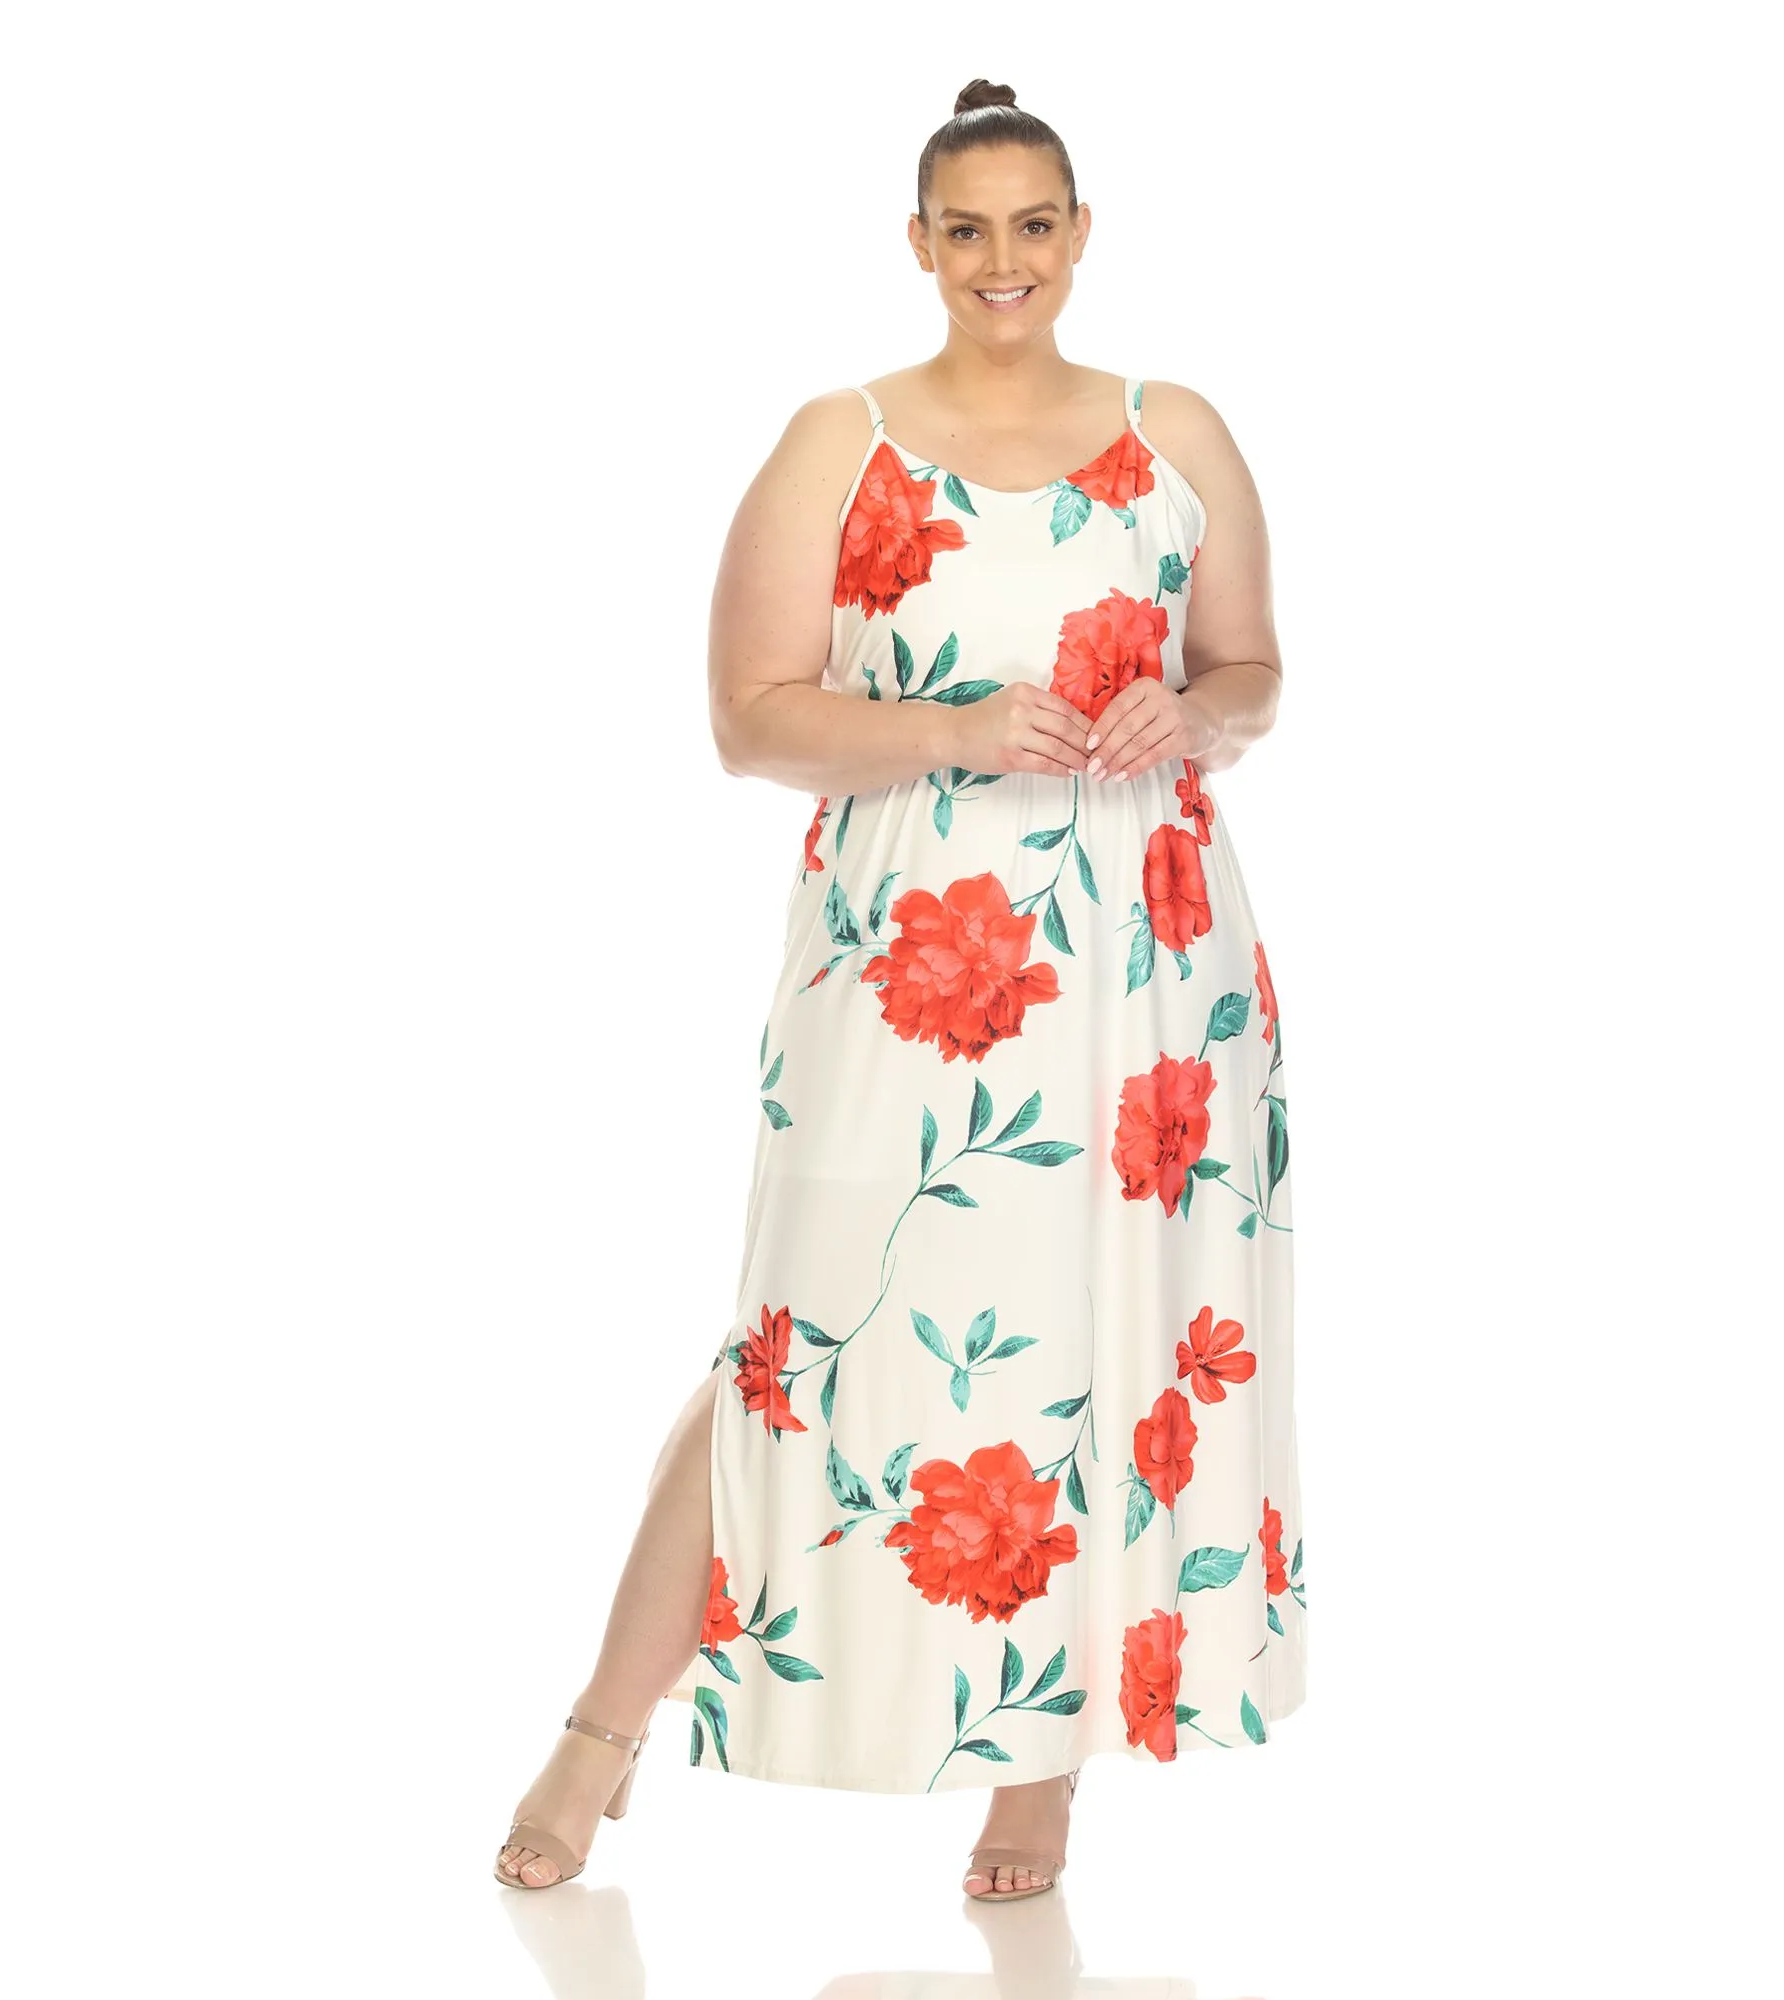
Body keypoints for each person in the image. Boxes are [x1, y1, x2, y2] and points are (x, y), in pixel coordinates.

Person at [495, 76, 1306, 1903]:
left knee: (1105, 1340)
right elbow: (749, 718)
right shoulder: (840, 440)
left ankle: (1041, 1781)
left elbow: (1253, 670)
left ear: (1081, 236)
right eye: (968, 230)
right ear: (920, 245)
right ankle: (602, 1731)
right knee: (795, 1346)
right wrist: (949, 727)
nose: (1003, 260)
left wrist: (1198, 713)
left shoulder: (1174, 430)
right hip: (908, 965)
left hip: (1147, 972)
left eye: (1035, 225)